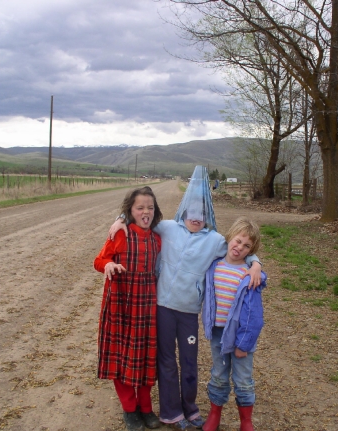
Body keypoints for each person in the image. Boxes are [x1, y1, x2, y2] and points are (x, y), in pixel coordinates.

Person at [109, 166, 262, 430]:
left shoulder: (214, 240)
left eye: (202, 213)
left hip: (189, 312)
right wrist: (121, 218)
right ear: (183, 210)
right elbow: (141, 217)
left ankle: (190, 409)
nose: (196, 217)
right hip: (163, 309)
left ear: (208, 214)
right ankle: (171, 413)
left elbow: (241, 250)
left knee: (189, 362)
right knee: (166, 361)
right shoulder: (168, 228)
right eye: (191, 211)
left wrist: (256, 263)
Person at [94, 186, 163, 431]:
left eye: (150, 207)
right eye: (140, 207)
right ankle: (129, 408)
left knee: (145, 357)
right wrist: (109, 265)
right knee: (120, 358)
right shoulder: (120, 234)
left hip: (146, 306)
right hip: (120, 305)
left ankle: (146, 407)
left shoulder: (157, 238)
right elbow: (99, 260)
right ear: (130, 210)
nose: (146, 211)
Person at [201, 217, 266, 431]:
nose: (240, 247)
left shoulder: (249, 276)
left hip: (241, 336)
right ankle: (214, 415)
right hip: (219, 333)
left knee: (243, 379)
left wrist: (243, 344)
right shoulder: (213, 266)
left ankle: (246, 421)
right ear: (230, 238)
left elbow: (254, 315)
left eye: (247, 246)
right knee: (218, 375)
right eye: (238, 241)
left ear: (251, 250)